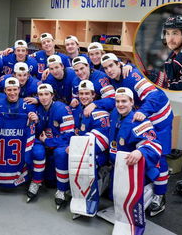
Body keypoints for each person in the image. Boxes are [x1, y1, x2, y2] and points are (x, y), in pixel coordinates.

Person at [101, 53, 173, 216]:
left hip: (159, 117)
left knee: (159, 155)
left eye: (111, 66)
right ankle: (146, 185)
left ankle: (160, 196)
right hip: (141, 116)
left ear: (119, 64)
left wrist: (142, 111)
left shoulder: (132, 75)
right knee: (139, 152)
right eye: (105, 68)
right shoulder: (114, 76)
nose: (109, 70)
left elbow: (155, 94)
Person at [108, 87, 162, 235]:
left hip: (138, 172)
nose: (120, 104)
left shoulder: (139, 120)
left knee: (130, 204)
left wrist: (140, 151)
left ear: (132, 102)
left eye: (124, 101)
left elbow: (155, 145)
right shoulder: (115, 115)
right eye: (117, 101)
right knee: (113, 197)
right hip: (120, 167)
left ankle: (149, 193)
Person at [29, 84, 75, 209]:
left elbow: (69, 136)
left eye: (46, 94)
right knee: (37, 150)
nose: (43, 97)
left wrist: (48, 142)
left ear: (52, 95)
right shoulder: (38, 109)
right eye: (40, 95)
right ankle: (36, 181)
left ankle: (62, 189)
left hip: (61, 143)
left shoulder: (62, 109)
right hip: (46, 141)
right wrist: (37, 122)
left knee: (61, 153)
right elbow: (38, 133)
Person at [72, 80, 109, 167]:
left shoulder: (100, 113)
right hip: (81, 149)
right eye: (81, 94)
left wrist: (76, 147)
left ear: (93, 95)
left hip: (96, 154)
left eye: (86, 93)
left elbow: (103, 140)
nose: (83, 96)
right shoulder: (78, 109)